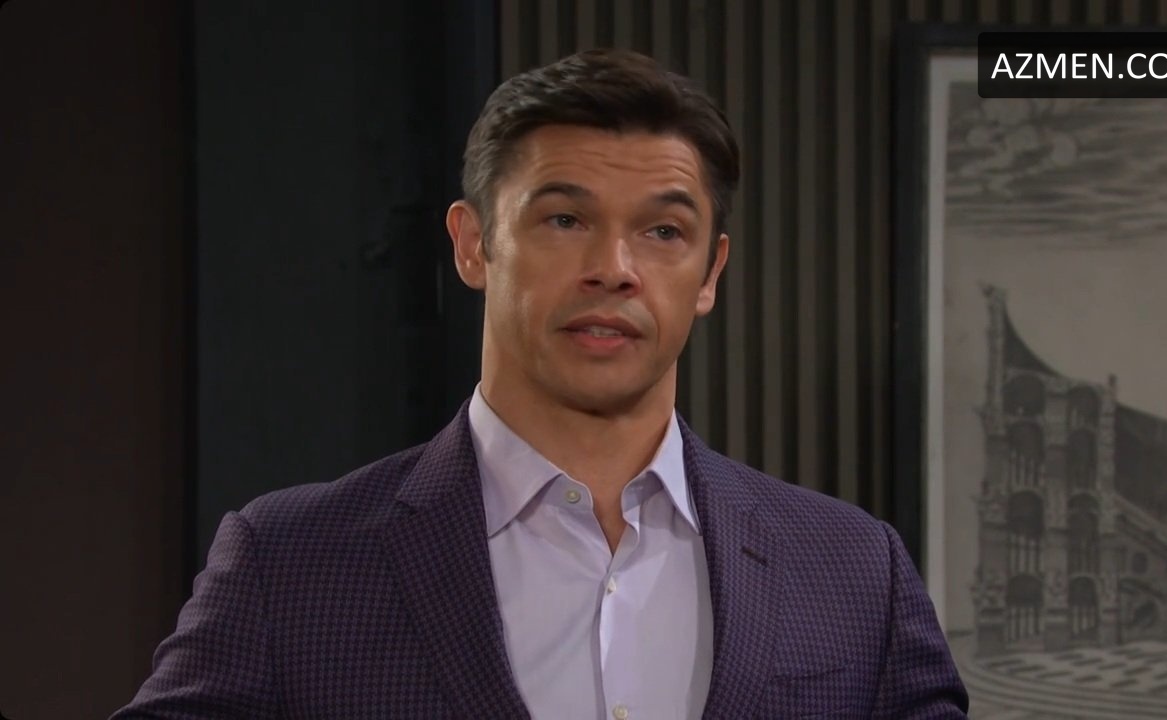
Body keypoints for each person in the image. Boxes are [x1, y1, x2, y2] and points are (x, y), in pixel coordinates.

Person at [114, 48, 968, 719]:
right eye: (565, 219)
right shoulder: (291, 563)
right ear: (474, 245)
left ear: (710, 273)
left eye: (663, 232)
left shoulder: (854, 571)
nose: (614, 267)